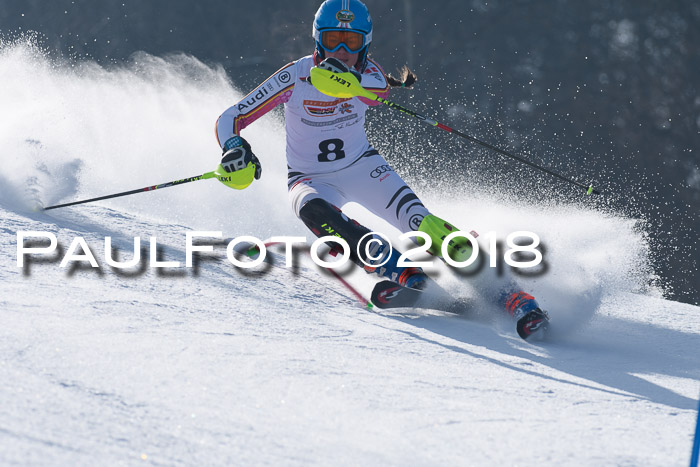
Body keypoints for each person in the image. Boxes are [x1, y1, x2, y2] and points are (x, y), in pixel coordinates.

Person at [215, 0, 549, 339]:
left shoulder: (369, 74)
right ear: (317, 40)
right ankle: (402, 272)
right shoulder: (295, 76)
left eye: (352, 42)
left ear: (366, 43)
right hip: (309, 178)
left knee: (424, 224)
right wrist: (234, 146)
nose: (343, 51)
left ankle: (512, 296)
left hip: (363, 167)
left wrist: (351, 84)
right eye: (332, 41)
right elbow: (232, 116)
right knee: (312, 209)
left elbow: (378, 93)